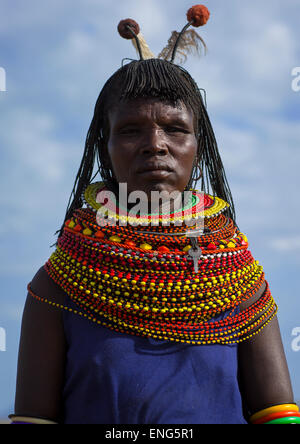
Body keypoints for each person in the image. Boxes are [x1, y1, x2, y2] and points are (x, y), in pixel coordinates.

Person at [10, 5, 299, 425]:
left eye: (175, 129)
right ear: (104, 149)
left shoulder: (241, 282)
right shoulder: (57, 284)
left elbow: (278, 415)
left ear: (199, 147)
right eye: (130, 130)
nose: (155, 144)